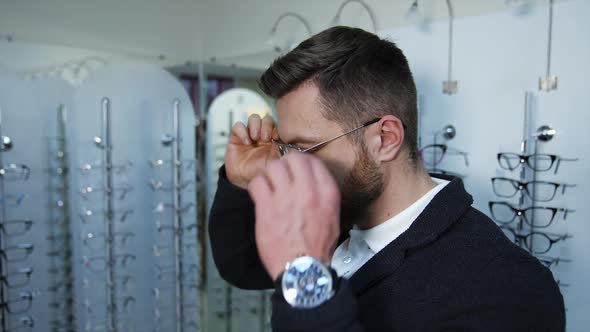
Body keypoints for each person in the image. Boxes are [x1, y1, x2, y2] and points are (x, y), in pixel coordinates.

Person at [209, 26, 565, 331]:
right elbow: (243, 267)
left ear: (385, 138)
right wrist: (242, 181)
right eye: (285, 147)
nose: (289, 167)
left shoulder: (507, 288)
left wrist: (308, 275)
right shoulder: (337, 214)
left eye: (305, 148)